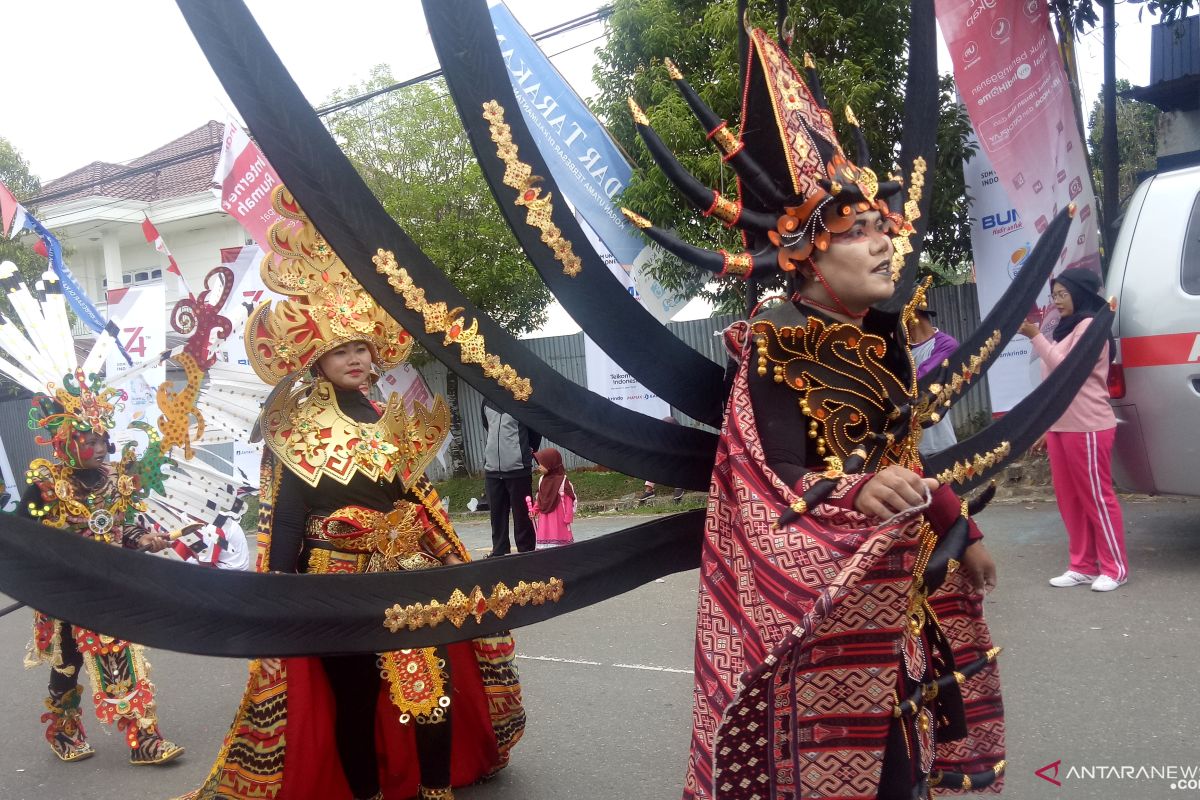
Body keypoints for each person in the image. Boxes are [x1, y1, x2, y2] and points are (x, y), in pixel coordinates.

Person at [623, 27, 1007, 798]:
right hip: (815, 616)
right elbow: (767, 480)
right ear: (805, 252)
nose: (881, 246)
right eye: (855, 232)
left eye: (881, 230)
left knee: (909, 760)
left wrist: (954, 521)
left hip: (895, 600)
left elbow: (900, 459)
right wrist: (854, 494)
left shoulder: (884, 339)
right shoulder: (777, 341)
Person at [184, 191, 523, 800]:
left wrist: (450, 558)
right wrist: (279, 590)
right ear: (316, 357)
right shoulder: (293, 427)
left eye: (363, 348)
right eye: (342, 349)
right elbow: (286, 517)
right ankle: (365, 791)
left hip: (408, 570)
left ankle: (437, 788)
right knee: (356, 693)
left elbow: (419, 499)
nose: (356, 359)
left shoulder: (392, 418)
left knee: (430, 685)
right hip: (332, 581)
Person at [20, 374, 183, 766]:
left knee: (117, 653)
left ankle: (144, 737)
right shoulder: (46, 484)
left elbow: (120, 526)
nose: (100, 447)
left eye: (101, 438)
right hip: (64, 593)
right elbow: (23, 535)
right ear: (64, 443)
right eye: (88, 441)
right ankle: (64, 728)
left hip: (108, 589)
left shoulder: (113, 481)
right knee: (69, 663)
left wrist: (143, 539)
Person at [1020, 267, 1129, 592]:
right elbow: (1053, 385)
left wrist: (1034, 336)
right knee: (1070, 500)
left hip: (1089, 426)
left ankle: (1115, 567)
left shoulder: (1090, 327)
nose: (1057, 302)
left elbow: (1066, 369)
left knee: (1096, 497)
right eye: (1054, 296)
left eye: (1062, 294)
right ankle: (1082, 565)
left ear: (1080, 293)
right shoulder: (1066, 330)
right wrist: (1046, 424)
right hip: (1061, 426)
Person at [481, 398, 540, 556]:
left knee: (522, 515)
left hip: (518, 468)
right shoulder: (487, 401)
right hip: (492, 469)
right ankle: (499, 551)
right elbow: (487, 426)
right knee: (497, 514)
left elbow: (535, 432)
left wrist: (523, 451)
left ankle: (526, 551)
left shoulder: (522, 402)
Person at [907, 307, 960, 456]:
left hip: (937, 445)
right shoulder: (901, 348)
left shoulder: (946, 344)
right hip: (906, 449)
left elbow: (920, 382)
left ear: (913, 313)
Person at [530, 447, 575, 548]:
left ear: (550, 464)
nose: (539, 467)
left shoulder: (563, 481)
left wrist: (568, 517)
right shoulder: (542, 480)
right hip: (544, 518)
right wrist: (534, 510)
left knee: (560, 543)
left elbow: (568, 500)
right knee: (545, 538)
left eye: (542, 464)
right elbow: (540, 498)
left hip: (559, 519)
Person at [637, 415, 686, 504]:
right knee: (653, 462)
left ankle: (679, 487)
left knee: (678, 462)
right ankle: (649, 491)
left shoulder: (682, 436)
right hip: (666, 464)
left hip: (681, 463)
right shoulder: (662, 437)